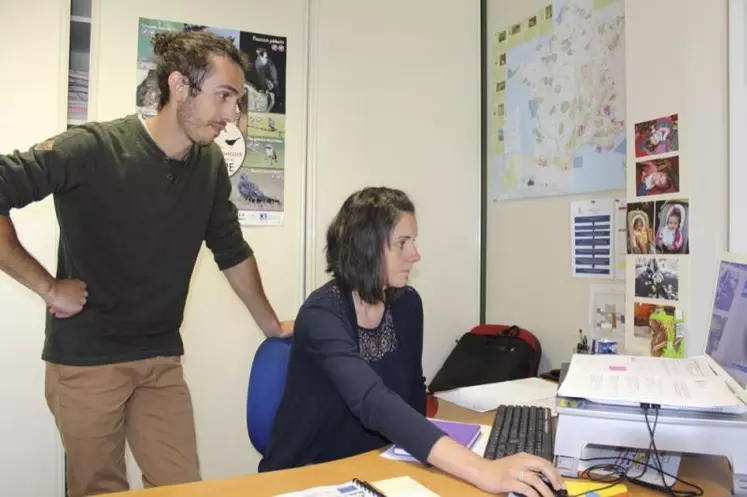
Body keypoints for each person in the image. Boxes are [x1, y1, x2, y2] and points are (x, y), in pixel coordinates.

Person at [0, 30, 292, 496]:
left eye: (237, 101)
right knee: (101, 489)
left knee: (182, 487)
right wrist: (47, 286)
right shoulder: (92, 148)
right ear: (179, 87)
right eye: (223, 97)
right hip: (88, 364)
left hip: (160, 361)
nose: (232, 115)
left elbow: (231, 250)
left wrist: (271, 325)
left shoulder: (210, 165)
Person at [259, 187, 565, 497]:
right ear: (366, 247)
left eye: (413, 241)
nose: (414, 255)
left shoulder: (406, 304)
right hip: (309, 475)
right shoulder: (321, 315)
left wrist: (454, 450)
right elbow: (372, 401)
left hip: (380, 466)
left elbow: (411, 393)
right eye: (401, 243)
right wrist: (481, 469)